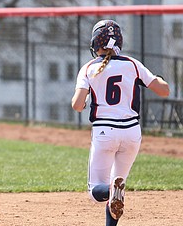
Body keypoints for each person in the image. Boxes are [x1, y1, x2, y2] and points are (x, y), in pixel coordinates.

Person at [71, 19, 169, 226]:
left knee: (96, 192)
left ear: (96, 43)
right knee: (118, 191)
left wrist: (86, 96)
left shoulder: (89, 68)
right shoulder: (133, 64)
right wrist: (157, 78)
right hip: (132, 133)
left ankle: (110, 190)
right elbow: (164, 90)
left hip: (104, 132)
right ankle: (115, 191)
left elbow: (77, 105)